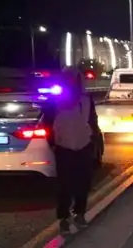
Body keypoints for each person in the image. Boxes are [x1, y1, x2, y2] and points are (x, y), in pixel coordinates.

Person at [41, 68, 102, 235]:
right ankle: (64, 218)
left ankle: (80, 214)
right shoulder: (54, 102)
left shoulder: (86, 99)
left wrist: (93, 140)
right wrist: (53, 144)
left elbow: (92, 121)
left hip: (84, 146)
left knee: (83, 184)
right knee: (64, 185)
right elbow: (47, 124)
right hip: (64, 148)